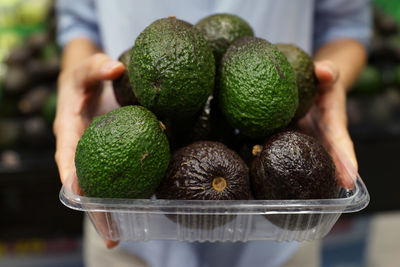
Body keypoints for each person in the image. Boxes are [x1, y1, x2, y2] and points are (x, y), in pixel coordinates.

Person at [54, 0, 371, 266]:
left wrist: (333, 83)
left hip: (281, 237)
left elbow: (347, 28)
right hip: (133, 237)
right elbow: (79, 25)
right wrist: (77, 79)